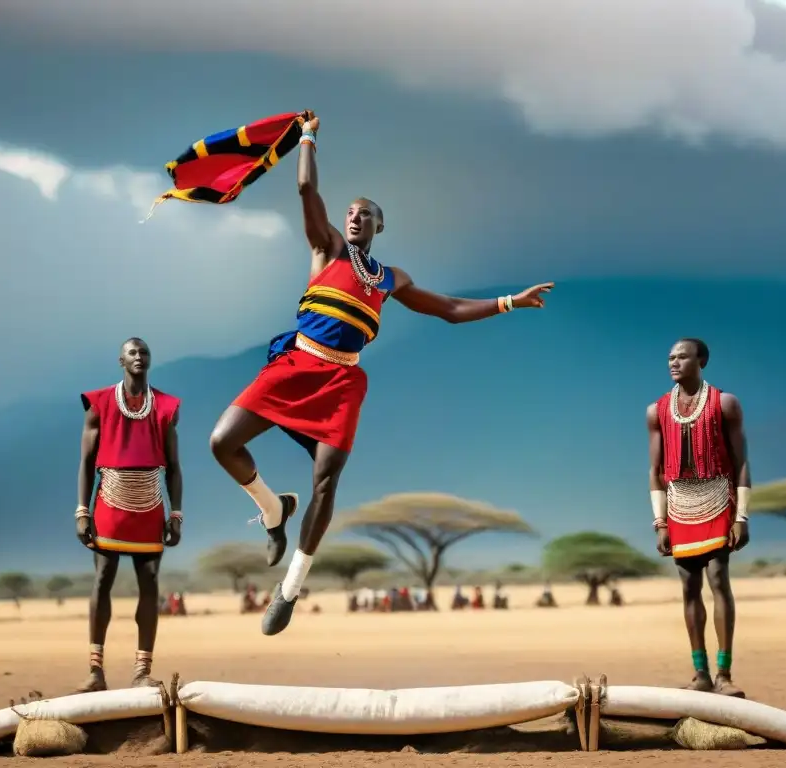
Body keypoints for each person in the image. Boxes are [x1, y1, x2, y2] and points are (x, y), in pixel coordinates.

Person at [209, 111, 554, 637]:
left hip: (343, 383)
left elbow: (450, 309)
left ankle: (290, 590)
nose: (352, 217)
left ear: (379, 226)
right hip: (296, 362)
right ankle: (272, 507)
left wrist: (511, 301)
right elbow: (305, 187)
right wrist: (307, 137)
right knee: (221, 443)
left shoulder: (392, 279)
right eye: (348, 211)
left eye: (363, 213)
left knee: (325, 484)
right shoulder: (324, 247)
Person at [75, 338, 183, 692]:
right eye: (133, 352)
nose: (140, 357)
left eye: (145, 352)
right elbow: (87, 463)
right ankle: (95, 672)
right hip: (109, 502)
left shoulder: (165, 407)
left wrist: (176, 514)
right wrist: (82, 511)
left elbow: (174, 468)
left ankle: (141, 672)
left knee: (150, 584)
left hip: (149, 506)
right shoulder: (99, 404)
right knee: (103, 577)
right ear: (121, 359)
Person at [647, 338, 751, 697]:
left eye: (682, 356)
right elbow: (656, 470)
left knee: (719, 577)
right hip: (679, 505)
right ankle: (700, 673)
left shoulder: (725, 404)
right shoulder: (657, 410)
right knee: (689, 586)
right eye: (670, 357)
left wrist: (742, 516)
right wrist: (659, 522)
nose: (674, 362)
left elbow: (741, 462)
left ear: (701, 360)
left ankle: (725, 673)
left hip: (718, 497)